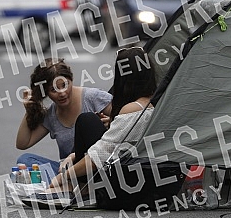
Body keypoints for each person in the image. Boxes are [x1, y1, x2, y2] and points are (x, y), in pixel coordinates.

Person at [48, 47, 157, 192]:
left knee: (86, 120)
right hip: (143, 171)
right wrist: (113, 124)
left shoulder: (132, 109)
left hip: (120, 180)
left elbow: (100, 155)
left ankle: (82, 187)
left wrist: (65, 176)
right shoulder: (156, 102)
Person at [15, 58, 112, 175]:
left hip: (97, 165)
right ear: (45, 93)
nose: (62, 93)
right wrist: (29, 109)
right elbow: (22, 143)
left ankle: (68, 185)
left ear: (71, 80)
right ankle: (66, 183)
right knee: (25, 160)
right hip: (67, 169)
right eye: (53, 89)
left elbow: (128, 120)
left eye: (65, 85)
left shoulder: (93, 97)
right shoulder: (51, 114)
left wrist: (112, 121)